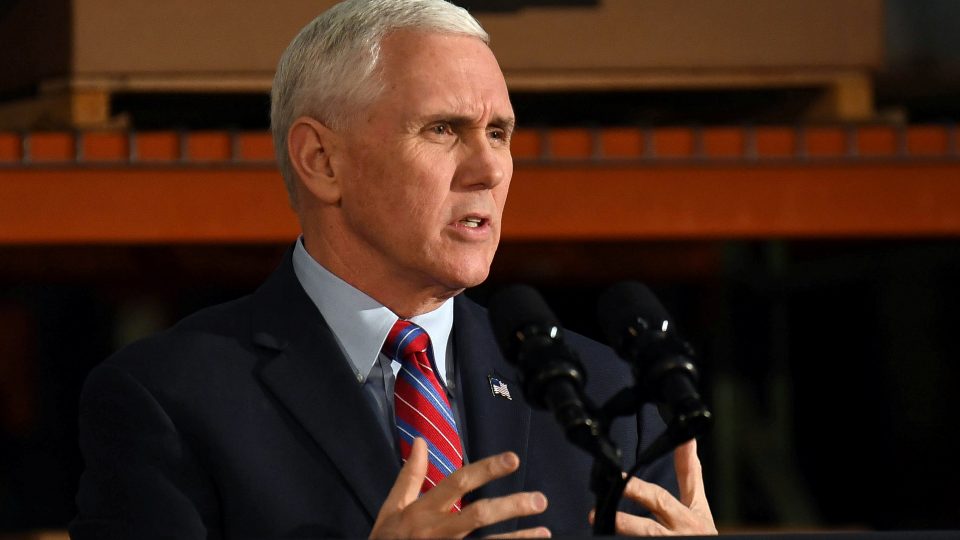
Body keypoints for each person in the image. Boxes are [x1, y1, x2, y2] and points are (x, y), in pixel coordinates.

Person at [71, 0, 716, 537]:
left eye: (499, 133)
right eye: (442, 130)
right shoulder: (168, 400)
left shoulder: (606, 397)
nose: (489, 169)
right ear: (321, 160)